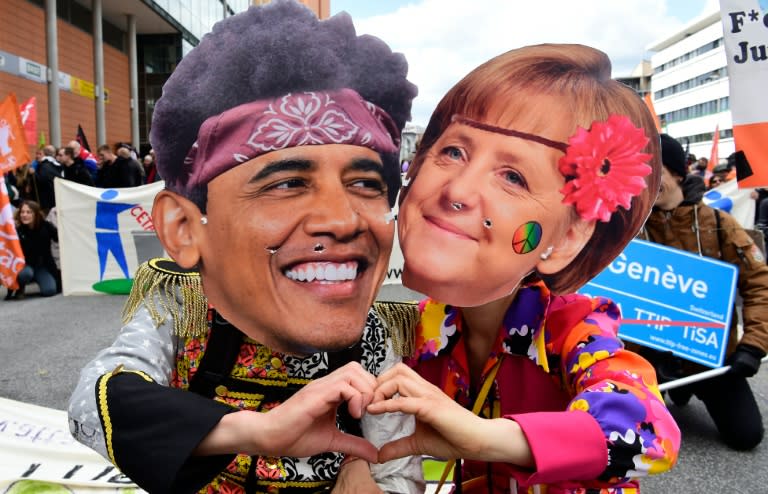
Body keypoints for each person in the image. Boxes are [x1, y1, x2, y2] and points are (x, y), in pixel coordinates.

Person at [68, 2, 422, 493]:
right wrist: (256, 432)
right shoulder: (183, 307)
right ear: (185, 229)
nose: (343, 221)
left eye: (364, 183)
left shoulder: (373, 339)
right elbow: (94, 403)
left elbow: (398, 468)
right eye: (288, 184)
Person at [366, 44, 681, 493]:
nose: (457, 190)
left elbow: (648, 432)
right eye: (453, 151)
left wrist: (484, 437)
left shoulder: (572, 328)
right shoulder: (422, 328)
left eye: (513, 177)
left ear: (569, 238)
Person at [635, 134, 767, 451]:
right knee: (626, 435)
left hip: (709, 357)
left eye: (654, 172)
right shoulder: (630, 227)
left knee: (746, 436)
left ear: (678, 173)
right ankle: (669, 389)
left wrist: (753, 345)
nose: (645, 182)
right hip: (647, 356)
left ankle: (690, 389)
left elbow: (759, 283)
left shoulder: (719, 224)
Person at [5, 199, 59, 300]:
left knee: (50, 291)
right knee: (26, 274)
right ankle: (20, 287)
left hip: (42, 266)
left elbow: (59, 239)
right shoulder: (17, 230)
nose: (24, 215)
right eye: (22, 212)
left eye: (28, 212)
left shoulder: (46, 226)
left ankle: (41, 278)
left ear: (36, 214)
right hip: (24, 266)